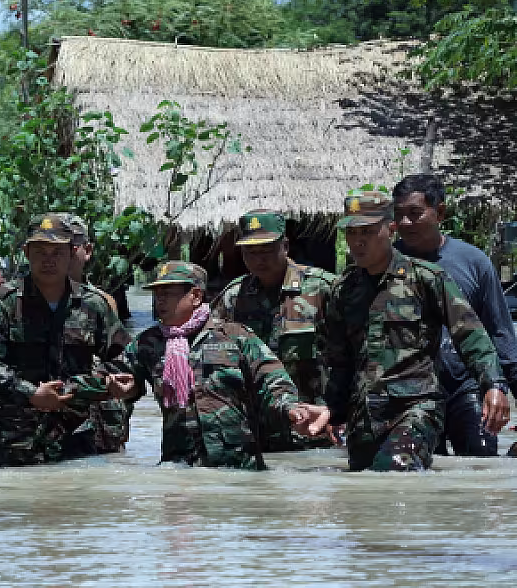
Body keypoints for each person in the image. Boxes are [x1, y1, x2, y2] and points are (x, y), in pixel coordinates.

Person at [323, 190, 507, 471]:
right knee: (362, 499)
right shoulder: (342, 290)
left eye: (369, 231)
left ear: (390, 228)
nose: (358, 242)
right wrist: (333, 413)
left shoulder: (426, 279)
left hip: (416, 408)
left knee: (395, 472)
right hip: (365, 418)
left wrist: (493, 385)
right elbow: (338, 361)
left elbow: (470, 335)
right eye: (351, 233)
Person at [124, 262, 330, 469]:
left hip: (237, 464)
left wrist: (291, 408)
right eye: (157, 294)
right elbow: (116, 373)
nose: (159, 301)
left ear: (195, 296)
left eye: (167, 293)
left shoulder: (235, 336)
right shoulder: (147, 343)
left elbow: (271, 380)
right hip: (178, 467)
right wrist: (117, 386)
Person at [0, 213, 136, 468]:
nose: (49, 261)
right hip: (16, 442)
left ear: (72, 253)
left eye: (57, 252)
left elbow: (123, 359)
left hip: (80, 439)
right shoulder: (3, 304)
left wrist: (110, 382)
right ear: (27, 252)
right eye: (40, 252)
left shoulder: (94, 305)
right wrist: (32, 394)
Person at [393, 174, 514, 455]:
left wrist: (498, 388)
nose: (405, 224)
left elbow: (501, 334)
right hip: (409, 393)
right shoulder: (385, 263)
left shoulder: (474, 263)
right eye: (399, 215)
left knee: (481, 467)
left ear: (441, 212)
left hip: (466, 386)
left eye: (415, 213)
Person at [211, 210, 336, 451]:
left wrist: (338, 413)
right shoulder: (233, 297)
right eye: (251, 252)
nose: (259, 259)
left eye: (267, 250)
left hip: (313, 429)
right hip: (254, 433)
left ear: (285, 246)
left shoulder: (322, 289)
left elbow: (354, 356)